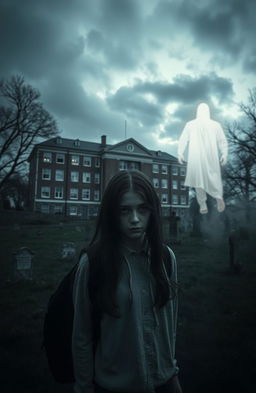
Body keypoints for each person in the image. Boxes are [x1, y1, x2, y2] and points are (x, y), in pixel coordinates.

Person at [72, 170, 183, 393]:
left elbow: (169, 324)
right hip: (114, 386)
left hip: (164, 382)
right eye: (125, 210)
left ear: (152, 211)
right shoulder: (93, 263)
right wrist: (84, 388)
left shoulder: (166, 258)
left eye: (142, 209)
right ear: (112, 214)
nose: (134, 219)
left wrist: (171, 374)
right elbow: (82, 335)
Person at [178, 102, 228, 214]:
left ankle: (219, 197)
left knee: (214, 177)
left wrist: (224, 153)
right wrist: (180, 152)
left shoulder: (215, 125)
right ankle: (202, 203)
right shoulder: (190, 125)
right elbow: (183, 139)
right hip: (196, 156)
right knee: (198, 180)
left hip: (210, 155)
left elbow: (222, 140)